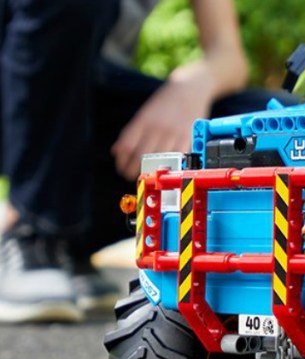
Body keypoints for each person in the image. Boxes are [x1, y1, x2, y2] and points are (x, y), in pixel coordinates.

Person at [0, 0, 280, 323]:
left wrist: (190, 88)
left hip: (84, 105)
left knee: (262, 120)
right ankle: (31, 229)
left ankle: (67, 240)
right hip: (18, 84)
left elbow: (228, 53)